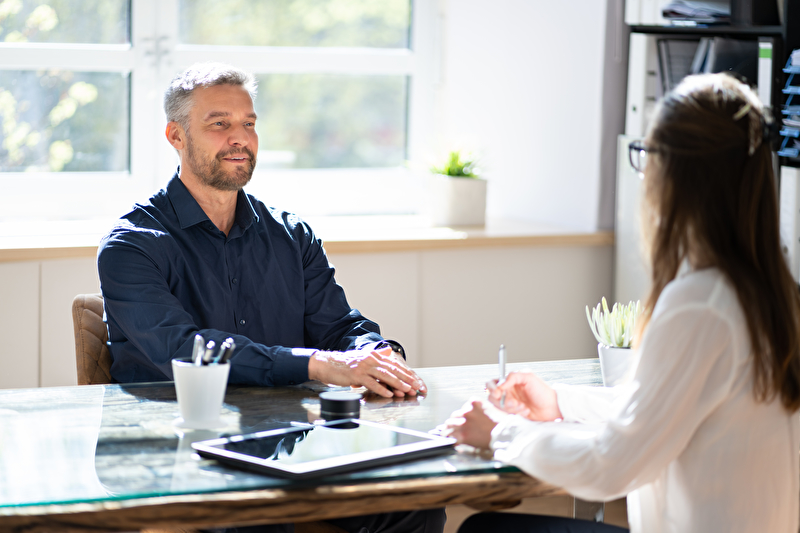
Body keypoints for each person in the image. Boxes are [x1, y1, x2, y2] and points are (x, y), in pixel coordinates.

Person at [443, 72, 800, 533]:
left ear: (676, 173)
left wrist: (501, 433)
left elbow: (612, 467)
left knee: (486, 530)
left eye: (648, 155)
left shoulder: (699, 306)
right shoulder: (774, 293)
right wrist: (560, 401)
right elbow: (659, 410)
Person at [98, 62, 444, 533]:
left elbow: (341, 327)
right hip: (182, 459)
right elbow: (186, 350)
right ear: (176, 137)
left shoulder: (292, 235)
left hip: (293, 447)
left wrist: (376, 356)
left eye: (249, 124)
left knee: (416, 500)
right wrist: (318, 365)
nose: (239, 137)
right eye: (219, 124)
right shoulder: (131, 245)